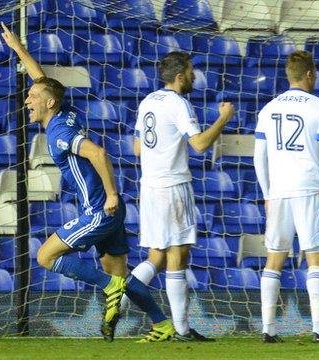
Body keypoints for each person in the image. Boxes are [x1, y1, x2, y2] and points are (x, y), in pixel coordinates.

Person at [0, 23, 174, 343]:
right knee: (120, 273)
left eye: (32, 97)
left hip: (99, 209)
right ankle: (162, 323)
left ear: (49, 103)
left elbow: (98, 153)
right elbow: (42, 80)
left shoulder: (61, 134)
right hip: (111, 210)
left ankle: (109, 289)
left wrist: (109, 194)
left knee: (46, 257)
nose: (27, 100)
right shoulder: (63, 110)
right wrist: (18, 49)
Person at [126, 52, 235, 341]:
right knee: (178, 254)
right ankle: (183, 329)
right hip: (173, 186)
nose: (194, 76)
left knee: (157, 255)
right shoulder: (178, 103)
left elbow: (137, 148)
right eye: (190, 72)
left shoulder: (148, 101)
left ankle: (117, 303)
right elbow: (199, 144)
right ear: (179, 76)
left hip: (149, 186)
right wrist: (223, 119)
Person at [254, 50, 319, 343]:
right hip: (309, 186)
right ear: (309, 75)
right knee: (316, 257)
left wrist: (267, 193)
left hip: (279, 190)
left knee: (274, 258)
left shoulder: (268, 109)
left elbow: (259, 156)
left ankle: (268, 330)